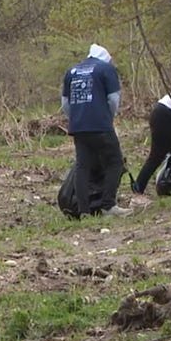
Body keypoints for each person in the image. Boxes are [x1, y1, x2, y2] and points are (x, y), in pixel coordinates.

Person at [61, 44, 131, 217]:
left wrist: (77, 117)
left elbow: (65, 103)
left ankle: (83, 210)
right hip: (100, 124)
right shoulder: (106, 69)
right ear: (106, 57)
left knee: (83, 166)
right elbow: (113, 99)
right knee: (115, 162)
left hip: (78, 127)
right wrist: (109, 116)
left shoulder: (72, 71)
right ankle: (108, 205)